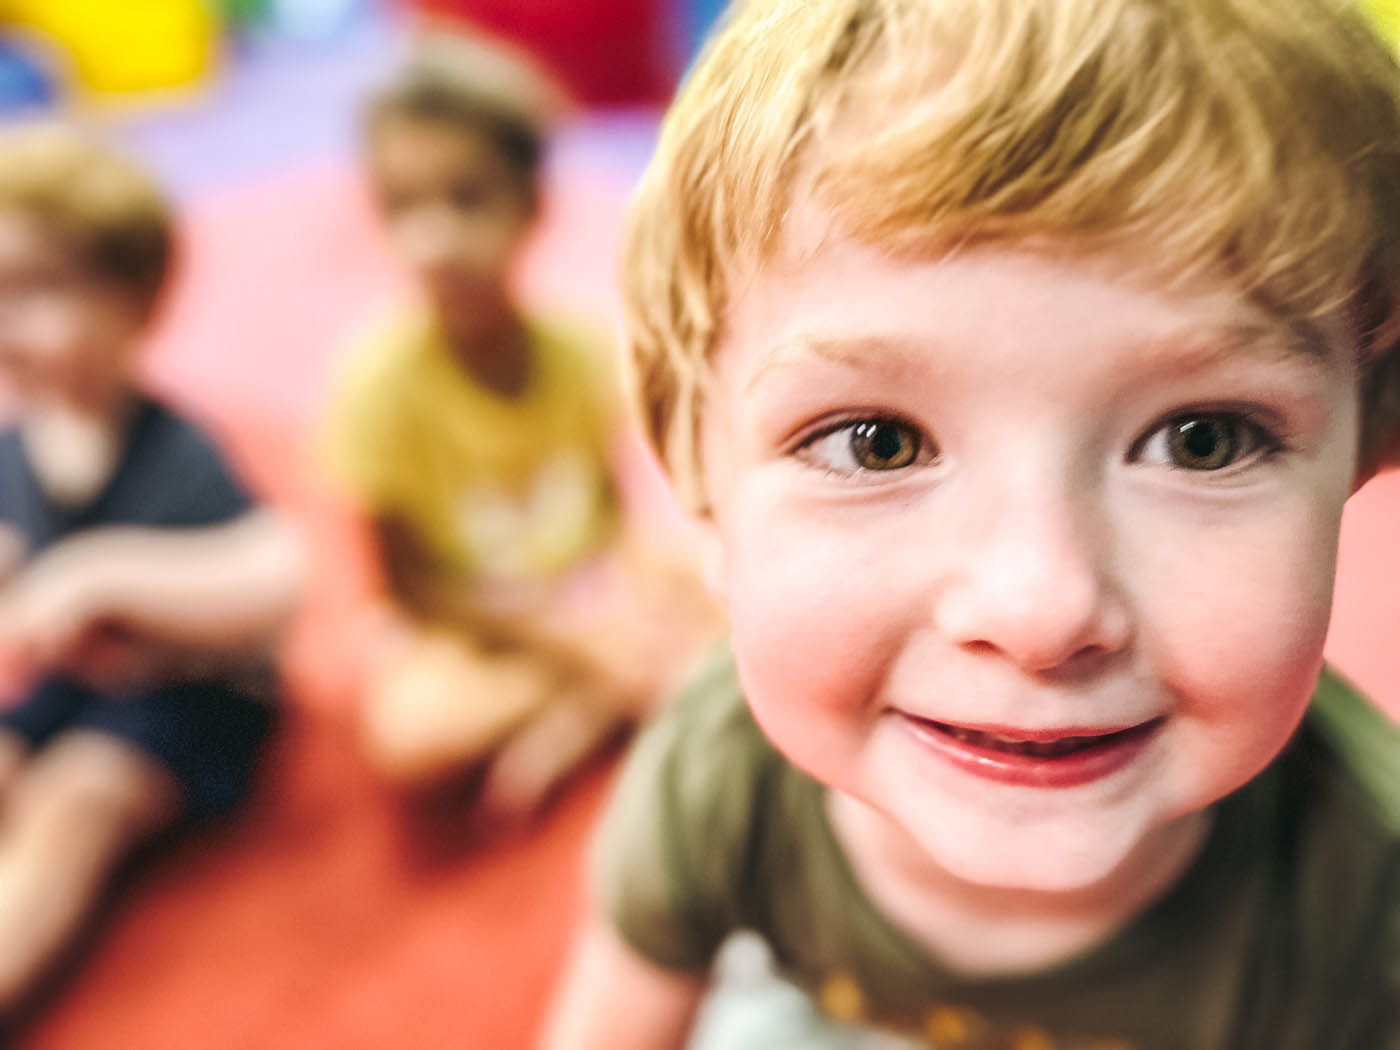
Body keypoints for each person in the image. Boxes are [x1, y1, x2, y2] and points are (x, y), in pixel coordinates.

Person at [542, 0, 1400, 1047]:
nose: (1038, 608)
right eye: (874, 442)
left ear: (1372, 439)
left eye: (1201, 438)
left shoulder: (1361, 881)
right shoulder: (720, 767)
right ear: (698, 482)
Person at [324, 37, 713, 821]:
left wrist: (611, 612)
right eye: (404, 206)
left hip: (580, 589)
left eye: (468, 199)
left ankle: (580, 711)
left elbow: (608, 519)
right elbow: (409, 589)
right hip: (470, 623)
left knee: (733, 611)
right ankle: (596, 700)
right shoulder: (377, 386)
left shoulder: (578, 348)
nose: (434, 240)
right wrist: (571, 648)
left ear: (531, 201)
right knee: (410, 733)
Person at [0, 123, 304, 1012]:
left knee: (75, 801)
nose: (9, 324)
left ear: (132, 300)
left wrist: (106, 574)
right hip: (64, 688)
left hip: (185, 698)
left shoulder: (176, 449)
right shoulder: (19, 448)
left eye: (39, 292)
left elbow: (276, 576)